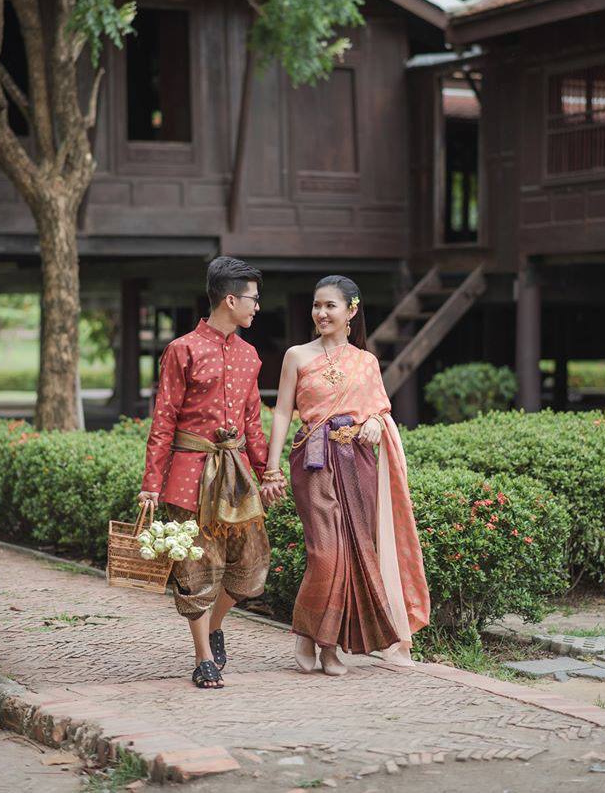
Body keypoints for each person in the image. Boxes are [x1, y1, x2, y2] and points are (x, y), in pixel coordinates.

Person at [265, 275, 430, 676]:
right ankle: (312, 636)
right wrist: (271, 467)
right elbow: (284, 412)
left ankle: (328, 646)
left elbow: (379, 408)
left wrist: (375, 420)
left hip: (357, 462)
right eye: (317, 305)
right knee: (325, 554)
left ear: (351, 311)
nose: (321, 313)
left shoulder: (366, 361)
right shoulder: (297, 356)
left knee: (355, 553)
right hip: (313, 460)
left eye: (330, 306)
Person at [137, 256, 286, 689]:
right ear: (230, 299)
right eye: (253, 299)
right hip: (188, 475)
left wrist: (269, 473)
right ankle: (202, 656)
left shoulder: (250, 356)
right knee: (196, 570)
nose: (257, 307)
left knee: (251, 567)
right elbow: (163, 419)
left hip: (236, 478)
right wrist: (151, 485)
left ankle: (216, 625)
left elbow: (253, 425)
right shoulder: (182, 349)